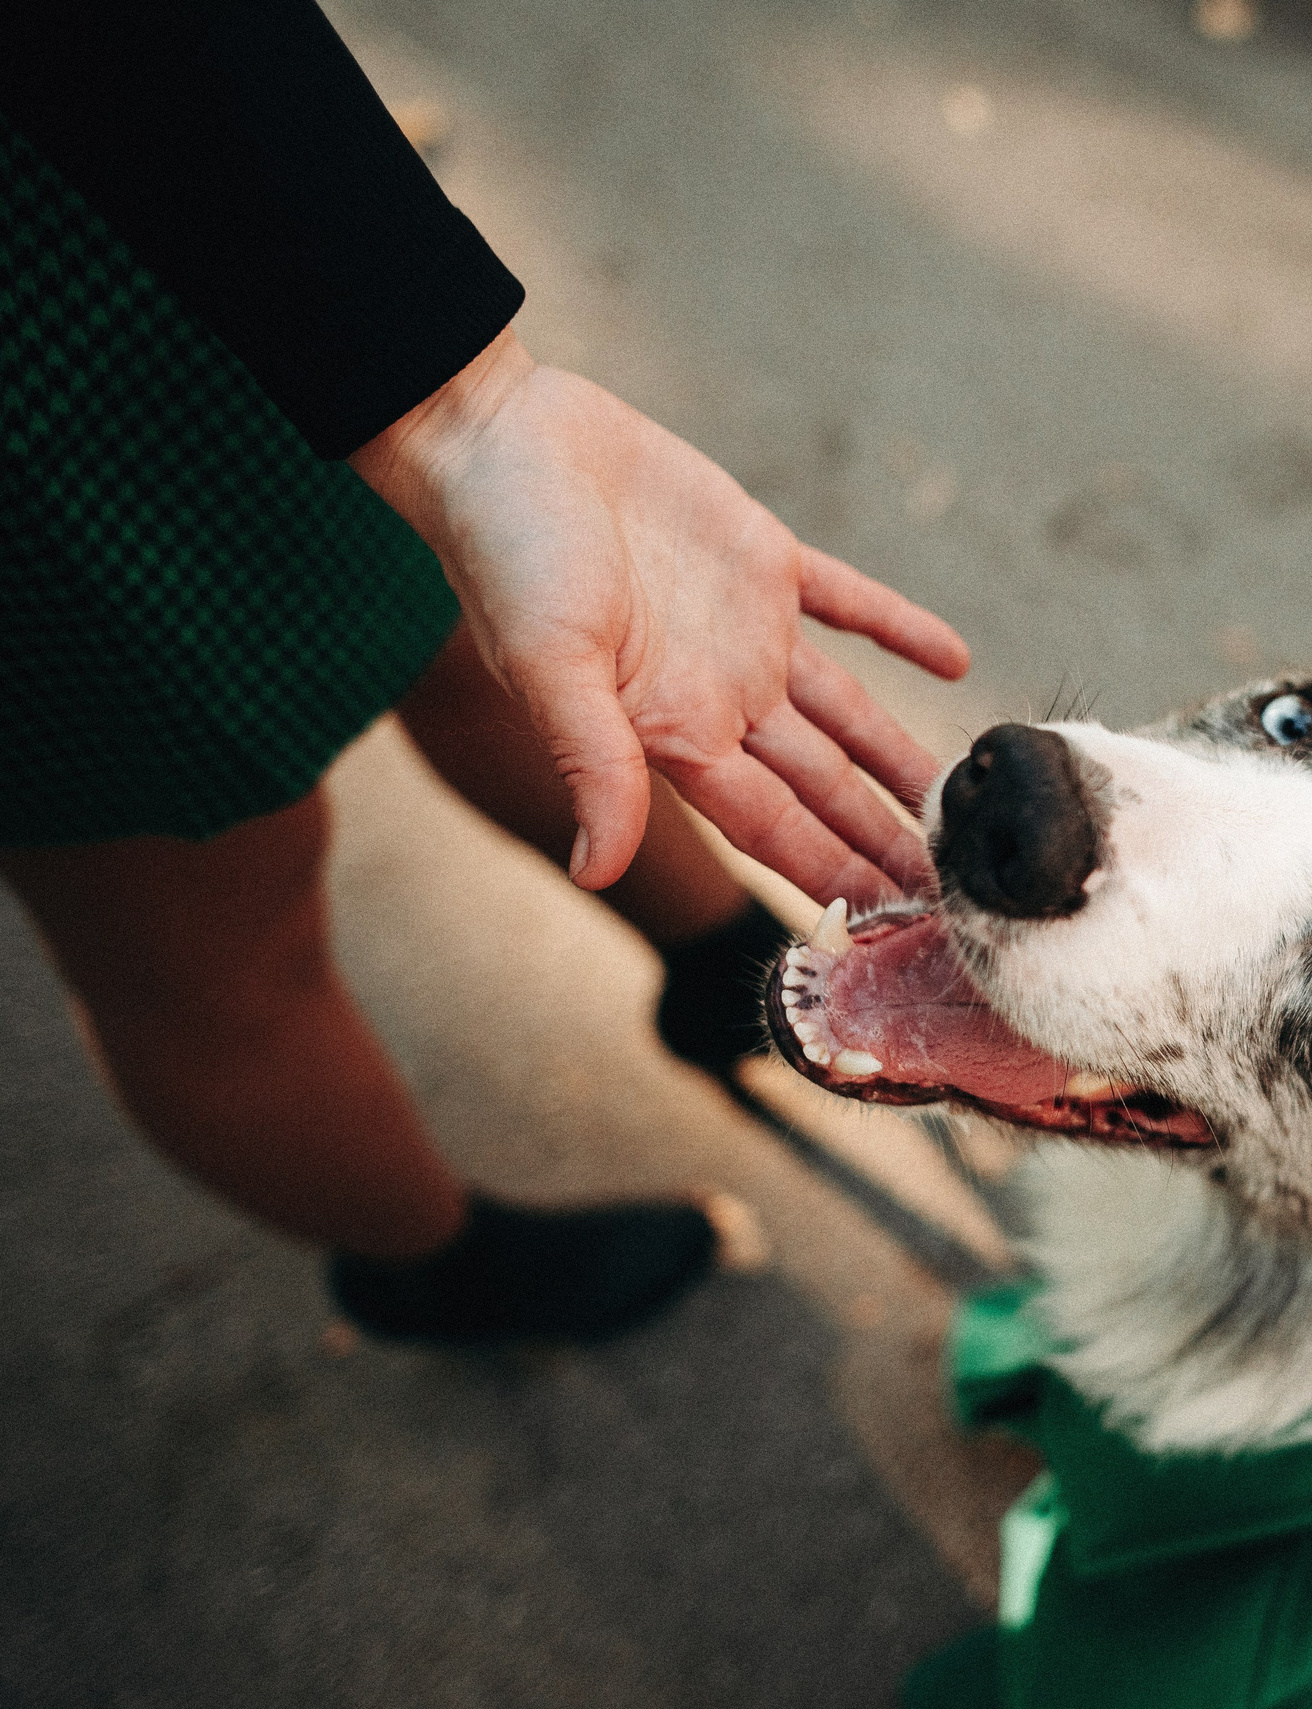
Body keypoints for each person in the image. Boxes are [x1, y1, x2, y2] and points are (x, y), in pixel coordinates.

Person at [0, 0, 968, 1343]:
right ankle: (425, 1257)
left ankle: (714, 951)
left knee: (474, 607)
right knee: (206, 917)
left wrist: (468, 405)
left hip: (152, 213)